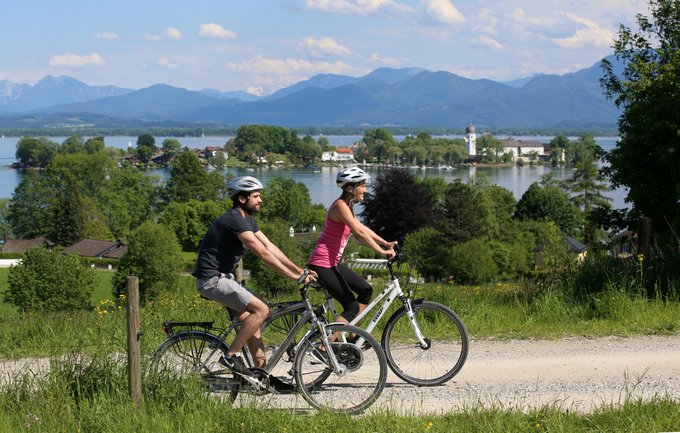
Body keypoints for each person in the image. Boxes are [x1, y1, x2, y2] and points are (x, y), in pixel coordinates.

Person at [192, 176, 315, 384]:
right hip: (212, 280)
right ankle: (230, 357)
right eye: (256, 196)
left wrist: (298, 269)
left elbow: (269, 246)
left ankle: (260, 376)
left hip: (224, 278)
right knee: (262, 310)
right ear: (242, 198)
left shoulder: (247, 219)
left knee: (253, 321)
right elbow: (263, 254)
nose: (260, 200)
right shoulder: (234, 220)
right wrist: (293, 276)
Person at [307, 167, 397, 327]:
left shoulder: (348, 206)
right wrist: (382, 251)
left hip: (332, 263)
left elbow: (361, 227)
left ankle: (352, 336)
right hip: (321, 264)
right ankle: (325, 348)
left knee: (365, 290)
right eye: (362, 185)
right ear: (350, 188)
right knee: (351, 307)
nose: (365, 189)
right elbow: (359, 233)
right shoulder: (340, 206)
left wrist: (386, 242)